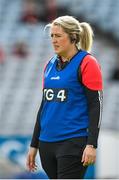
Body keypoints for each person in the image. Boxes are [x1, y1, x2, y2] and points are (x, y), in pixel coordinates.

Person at [26, 15, 103, 179]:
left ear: (73, 37)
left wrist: (92, 144)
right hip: (47, 142)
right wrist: (34, 145)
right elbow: (44, 107)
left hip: (73, 142)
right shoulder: (49, 65)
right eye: (52, 36)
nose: (54, 40)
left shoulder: (87, 63)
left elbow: (95, 105)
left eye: (58, 36)